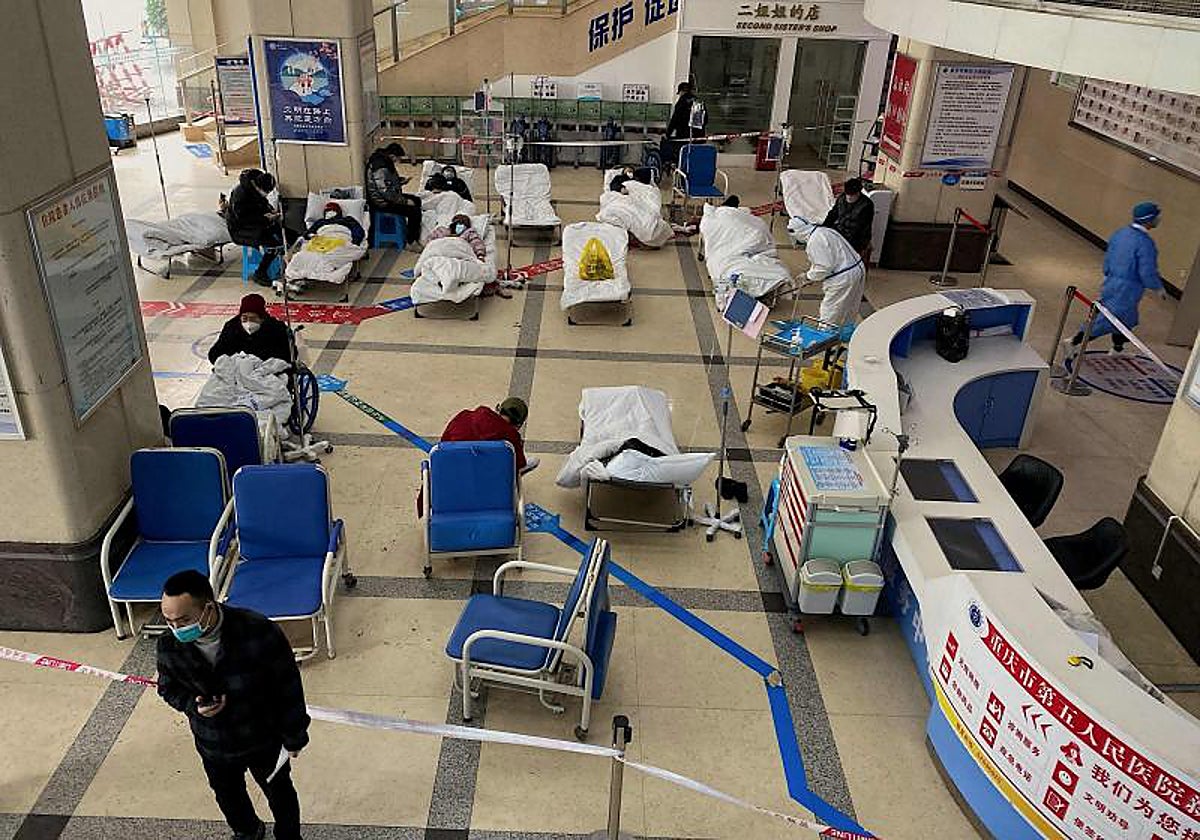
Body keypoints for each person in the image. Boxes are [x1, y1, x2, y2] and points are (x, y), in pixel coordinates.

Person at [156, 570, 310, 840]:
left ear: (208, 607)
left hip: (263, 738)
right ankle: (247, 830)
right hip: (214, 744)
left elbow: (288, 686)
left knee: (281, 793)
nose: (177, 629)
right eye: (169, 621)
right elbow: (167, 688)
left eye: (184, 620)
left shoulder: (258, 631)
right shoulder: (169, 645)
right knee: (228, 796)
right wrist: (193, 706)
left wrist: (295, 734)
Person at [1066, 201, 1167, 358]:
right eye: (1156, 217)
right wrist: (1158, 288)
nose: (1158, 220)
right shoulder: (1145, 243)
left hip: (1112, 282)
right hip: (1128, 288)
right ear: (1149, 220)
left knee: (1125, 320)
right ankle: (1074, 341)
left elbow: (1108, 257)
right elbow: (1147, 271)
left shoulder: (1121, 234)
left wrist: (1108, 274)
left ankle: (1117, 349)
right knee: (1109, 320)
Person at [788, 217, 867, 328]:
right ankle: (844, 338)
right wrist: (812, 276)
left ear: (797, 232)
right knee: (849, 309)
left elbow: (823, 267)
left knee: (830, 312)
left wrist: (807, 277)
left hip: (843, 278)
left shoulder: (814, 241)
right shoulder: (825, 231)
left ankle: (825, 342)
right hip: (857, 269)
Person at [227, 169, 298, 286]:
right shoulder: (240, 195)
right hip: (241, 230)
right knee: (273, 245)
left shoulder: (254, 187)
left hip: (258, 224)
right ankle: (260, 273)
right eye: (266, 192)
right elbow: (243, 218)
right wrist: (265, 218)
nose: (266, 194)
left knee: (290, 235)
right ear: (257, 186)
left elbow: (262, 203)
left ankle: (290, 267)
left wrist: (271, 211)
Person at [441, 397, 538, 474]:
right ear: (519, 425)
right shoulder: (512, 440)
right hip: (486, 485)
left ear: (498, 409)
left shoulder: (464, 416)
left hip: (449, 476)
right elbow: (519, 466)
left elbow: (443, 444)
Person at [208, 293, 292, 365]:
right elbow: (214, 354)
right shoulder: (231, 328)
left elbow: (288, 356)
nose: (248, 323)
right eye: (244, 318)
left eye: (253, 319)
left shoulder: (277, 329)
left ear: (262, 318)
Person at [365, 142, 422, 241]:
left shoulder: (385, 162)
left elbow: (387, 182)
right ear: (392, 155)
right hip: (381, 203)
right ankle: (411, 241)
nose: (398, 161)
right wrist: (404, 201)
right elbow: (385, 191)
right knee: (414, 211)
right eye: (398, 158)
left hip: (386, 198)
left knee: (416, 200)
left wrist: (400, 181)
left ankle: (413, 231)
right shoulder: (380, 165)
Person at [821, 178, 875, 263]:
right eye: (847, 194)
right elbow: (833, 214)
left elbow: (863, 229)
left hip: (855, 238)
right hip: (840, 230)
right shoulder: (842, 198)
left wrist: (861, 246)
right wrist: (823, 228)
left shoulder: (867, 205)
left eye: (852, 195)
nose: (849, 197)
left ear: (858, 193)